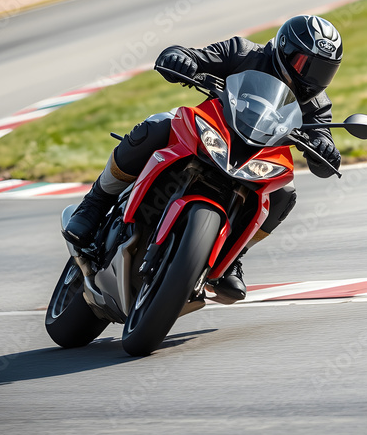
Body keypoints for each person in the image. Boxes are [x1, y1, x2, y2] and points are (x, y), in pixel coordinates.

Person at [61, 15, 344, 301]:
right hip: (209, 131)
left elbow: (322, 139)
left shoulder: (316, 105)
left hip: (257, 157)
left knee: (285, 194)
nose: (312, 77)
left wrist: (325, 149)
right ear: (284, 49)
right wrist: (179, 59)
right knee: (158, 124)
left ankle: (232, 256)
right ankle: (94, 204)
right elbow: (192, 56)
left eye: (323, 71)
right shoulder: (242, 52)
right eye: (305, 64)